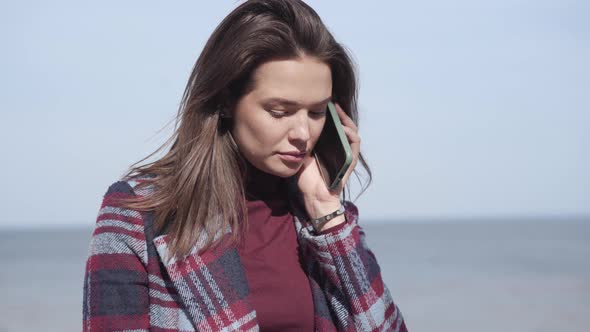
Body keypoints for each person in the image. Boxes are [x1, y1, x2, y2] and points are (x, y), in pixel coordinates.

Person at [82, 0, 408, 331]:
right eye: (279, 111)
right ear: (226, 102)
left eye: (316, 113)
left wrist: (327, 212)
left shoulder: (321, 219)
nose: (302, 134)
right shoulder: (139, 213)